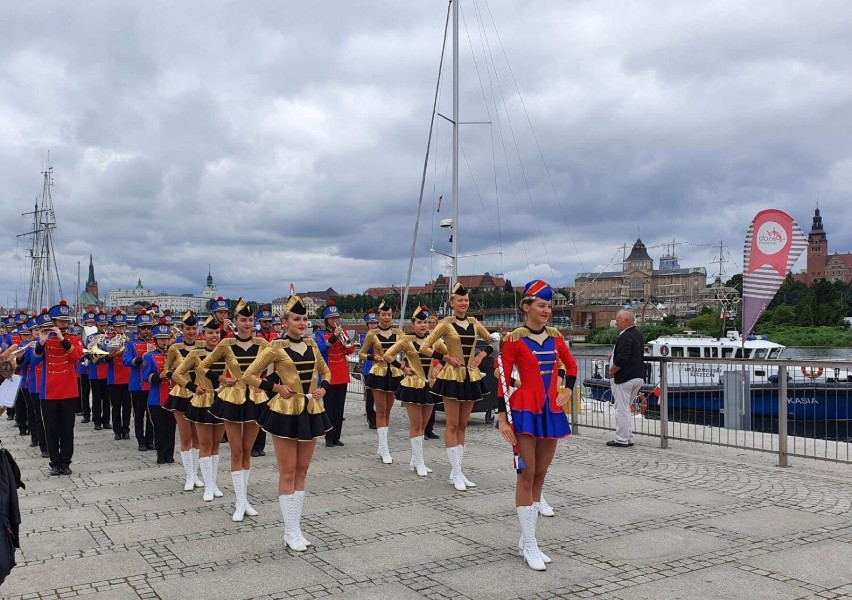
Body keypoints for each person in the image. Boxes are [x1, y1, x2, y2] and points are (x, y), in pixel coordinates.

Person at [497, 279, 577, 571]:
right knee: (526, 474)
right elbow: (504, 377)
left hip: (550, 410)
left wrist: (567, 389)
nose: (547, 311)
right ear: (526, 306)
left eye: (549, 306)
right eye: (541, 305)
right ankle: (530, 544)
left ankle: (526, 538)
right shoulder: (514, 340)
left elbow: (572, 365)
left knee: (541, 474)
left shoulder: (556, 338)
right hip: (524, 410)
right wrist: (502, 417)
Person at [243, 295, 331, 552]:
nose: (302, 323)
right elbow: (249, 375)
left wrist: (323, 388)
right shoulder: (275, 347)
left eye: (304, 319)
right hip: (284, 411)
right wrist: (274, 387)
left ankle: (297, 527)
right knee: (288, 471)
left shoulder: (312, 345)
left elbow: (325, 372)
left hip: (310, 408)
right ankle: (289, 530)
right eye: (296, 319)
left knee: (303, 470)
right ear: (285, 321)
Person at [198, 298, 269, 521]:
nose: (248, 324)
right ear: (234, 321)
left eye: (250, 319)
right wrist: (221, 379)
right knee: (236, 451)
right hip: (232, 398)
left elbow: (279, 363)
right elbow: (202, 365)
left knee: (248, 451)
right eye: (243, 320)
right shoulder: (226, 344)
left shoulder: (262, 344)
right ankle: (239, 502)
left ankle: (245, 499)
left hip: (255, 399)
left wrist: (268, 383)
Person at [419, 282, 492, 491]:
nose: (463, 303)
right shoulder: (445, 324)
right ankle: (457, 471)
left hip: (470, 376)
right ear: (452, 303)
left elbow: (492, 340)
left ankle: (457, 470)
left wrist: (482, 354)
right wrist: (446, 358)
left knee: (462, 425)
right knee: (452, 424)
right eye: (459, 300)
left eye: (466, 300)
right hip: (452, 376)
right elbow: (425, 346)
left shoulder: (474, 323)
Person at [382, 305, 446, 477]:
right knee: (416, 424)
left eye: (425, 322)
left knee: (424, 425)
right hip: (413, 385)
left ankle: (415, 459)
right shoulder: (406, 340)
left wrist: (439, 365)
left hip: (430, 385)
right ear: (413, 323)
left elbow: (450, 354)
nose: (423, 325)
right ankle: (420, 462)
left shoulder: (434, 340)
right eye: (419, 322)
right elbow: (388, 355)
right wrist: (402, 367)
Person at [172, 316, 225, 501]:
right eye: (210, 332)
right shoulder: (196, 353)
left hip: (222, 400)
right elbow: (177, 374)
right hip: (202, 400)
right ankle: (206, 486)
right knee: (204, 444)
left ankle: (214, 482)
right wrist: (193, 388)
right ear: (204, 334)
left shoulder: (226, 352)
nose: (214, 335)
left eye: (217, 332)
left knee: (216, 445)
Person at [32, 300, 84, 476]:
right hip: (49, 392)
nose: (64, 324)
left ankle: (65, 462)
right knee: (52, 429)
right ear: (53, 322)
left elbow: (77, 356)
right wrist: (41, 341)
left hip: (69, 391)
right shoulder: (44, 339)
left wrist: (62, 339)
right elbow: (35, 360)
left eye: (66, 321)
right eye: (60, 321)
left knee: (67, 429)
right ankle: (54, 462)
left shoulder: (74, 338)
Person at [358, 300, 404, 464]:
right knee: (381, 409)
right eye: (383, 314)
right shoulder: (372, 334)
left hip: (394, 373)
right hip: (378, 372)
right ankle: (384, 448)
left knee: (389, 409)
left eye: (389, 315)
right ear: (379, 316)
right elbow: (361, 354)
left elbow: (408, 350)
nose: (386, 317)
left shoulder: (399, 333)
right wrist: (372, 357)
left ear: (392, 316)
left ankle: (382, 445)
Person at [164, 311, 204, 489]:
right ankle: (189, 475)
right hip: (182, 393)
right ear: (182, 329)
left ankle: (196, 474)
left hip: (200, 393)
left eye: (194, 328)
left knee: (199, 437)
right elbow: (165, 369)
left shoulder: (203, 346)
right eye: (188, 328)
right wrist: (173, 374)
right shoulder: (175, 348)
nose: (191, 332)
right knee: (185, 436)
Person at [314, 300, 355, 448]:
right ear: (326, 320)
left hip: (342, 375)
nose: (334, 321)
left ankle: (337, 436)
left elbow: (350, 351)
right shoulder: (320, 334)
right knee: (329, 409)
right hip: (329, 376)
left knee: (339, 410)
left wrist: (345, 339)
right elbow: (321, 350)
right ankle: (329, 437)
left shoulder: (342, 332)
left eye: (336, 318)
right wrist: (333, 337)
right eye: (332, 318)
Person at [607, 310, 644, 448]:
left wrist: (612, 371)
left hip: (625, 378)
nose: (616, 322)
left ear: (627, 320)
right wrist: (613, 356)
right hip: (637, 376)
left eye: (618, 320)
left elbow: (623, 358)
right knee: (626, 408)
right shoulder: (637, 334)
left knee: (621, 408)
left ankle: (621, 439)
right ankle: (628, 437)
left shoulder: (626, 336)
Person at [142, 320, 175, 464]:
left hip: (173, 397)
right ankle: (161, 455)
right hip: (156, 398)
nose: (164, 341)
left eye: (166, 338)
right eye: (161, 339)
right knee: (160, 428)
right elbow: (145, 376)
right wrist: (160, 376)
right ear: (155, 340)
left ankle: (170, 455)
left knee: (171, 428)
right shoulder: (149, 356)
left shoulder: (175, 355)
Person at [124, 310, 155, 450]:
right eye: (143, 328)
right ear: (138, 329)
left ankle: (150, 439)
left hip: (152, 384)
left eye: (149, 327)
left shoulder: (156, 342)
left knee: (151, 414)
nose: (146, 330)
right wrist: (139, 359)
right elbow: (126, 360)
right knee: (138, 414)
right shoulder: (131, 344)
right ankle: (141, 440)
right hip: (137, 384)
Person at [105, 310, 131, 437]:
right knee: (115, 406)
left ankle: (126, 429)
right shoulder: (108, 340)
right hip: (114, 377)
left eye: (123, 326)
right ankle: (117, 430)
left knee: (127, 406)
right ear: (113, 327)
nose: (121, 328)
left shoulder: (130, 340)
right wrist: (110, 355)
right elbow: (103, 359)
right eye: (118, 326)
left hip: (128, 377)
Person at [358, 309, 378, 430]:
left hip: (381, 367)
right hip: (369, 367)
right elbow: (363, 352)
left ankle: (380, 416)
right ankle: (371, 418)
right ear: (367, 325)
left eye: (375, 323)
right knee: (370, 395)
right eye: (371, 323)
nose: (373, 325)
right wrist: (360, 363)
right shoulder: (364, 336)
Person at [423, 314, 441, 440]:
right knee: (423, 401)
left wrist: (439, 366)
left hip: (435, 374)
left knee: (432, 402)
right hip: (423, 372)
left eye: (432, 322)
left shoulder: (439, 340)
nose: (430, 324)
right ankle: (422, 429)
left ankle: (429, 429)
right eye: (428, 322)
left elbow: (447, 354)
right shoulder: (423, 337)